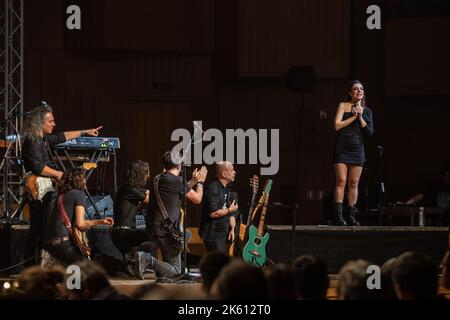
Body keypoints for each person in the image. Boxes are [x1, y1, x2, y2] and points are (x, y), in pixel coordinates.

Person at [21, 103, 102, 265]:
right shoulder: (32, 141)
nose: (54, 124)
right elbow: (37, 166)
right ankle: (30, 265)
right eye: (50, 121)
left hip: (46, 188)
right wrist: (60, 174)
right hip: (39, 189)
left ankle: (40, 263)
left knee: (43, 226)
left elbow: (62, 136)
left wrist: (85, 132)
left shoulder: (43, 140)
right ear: (40, 122)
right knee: (39, 226)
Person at [134, 151, 207, 280]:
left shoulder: (157, 179)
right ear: (179, 165)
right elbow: (197, 199)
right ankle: (147, 259)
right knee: (177, 271)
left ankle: (162, 270)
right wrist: (200, 182)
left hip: (153, 228)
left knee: (187, 235)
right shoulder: (178, 181)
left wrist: (193, 181)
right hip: (166, 232)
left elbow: (177, 191)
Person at [42, 168, 114, 265]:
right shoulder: (78, 194)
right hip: (62, 243)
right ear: (80, 180)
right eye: (84, 178)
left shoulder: (59, 195)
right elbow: (81, 224)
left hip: (47, 244)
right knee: (86, 268)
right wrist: (99, 222)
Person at [333, 80, 374, 226]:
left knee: (353, 183)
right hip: (342, 148)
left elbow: (369, 132)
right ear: (350, 92)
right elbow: (337, 126)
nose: (359, 91)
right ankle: (338, 216)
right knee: (341, 181)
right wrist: (352, 116)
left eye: (361, 89)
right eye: (355, 89)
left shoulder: (367, 110)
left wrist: (360, 116)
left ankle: (351, 215)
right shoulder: (343, 105)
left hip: (358, 149)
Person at [111, 160, 152, 274]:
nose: (148, 176)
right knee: (156, 236)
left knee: (152, 236)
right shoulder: (129, 189)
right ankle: (140, 260)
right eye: (147, 173)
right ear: (140, 174)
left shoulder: (128, 188)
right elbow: (153, 199)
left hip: (124, 232)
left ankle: (133, 261)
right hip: (123, 233)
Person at [199, 161, 239, 253]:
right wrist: (229, 209)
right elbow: (213, 213)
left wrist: (233, 229)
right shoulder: (213, 188)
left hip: (225, 232)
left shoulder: (228, 188)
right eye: (232, 170)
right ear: (224, 174)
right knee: (218, 263)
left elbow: (232, 213)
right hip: (213, 234)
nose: (234, 172)